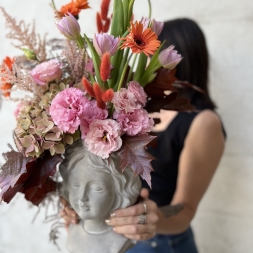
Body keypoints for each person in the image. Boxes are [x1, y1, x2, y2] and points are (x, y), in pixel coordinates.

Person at [61, 18, 225, 253]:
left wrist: (151, 218)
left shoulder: (203, 122)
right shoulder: (136, 106)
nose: (145, 60)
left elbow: (185, 209)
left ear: (181, 58)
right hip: (109, 240)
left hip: (160, 243)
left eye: (153, 53)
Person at [59, 139, 141, 253]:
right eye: (75, 186)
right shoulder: (74, 228)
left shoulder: (118, 242)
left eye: (96, 188)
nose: (82, 197)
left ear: (119, 190)